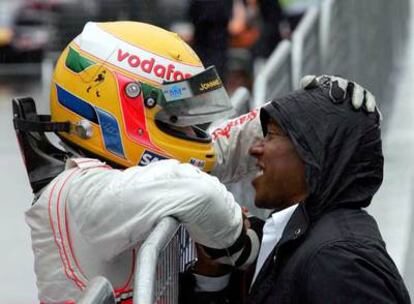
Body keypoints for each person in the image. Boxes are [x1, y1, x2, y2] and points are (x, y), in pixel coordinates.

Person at [14, 21, 375, 303]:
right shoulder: (74, 192)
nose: (190, 127)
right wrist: (241, 244)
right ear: (119, 106)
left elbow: (217, 151)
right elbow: (196, 189)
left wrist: (313, 109)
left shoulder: (133, 177)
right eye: (175, 114)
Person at [181, 76, 411, 303]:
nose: (255, 150)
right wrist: (213, 278)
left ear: (314, 152)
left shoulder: (338, 259)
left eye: (270, 136)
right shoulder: (299, 236)